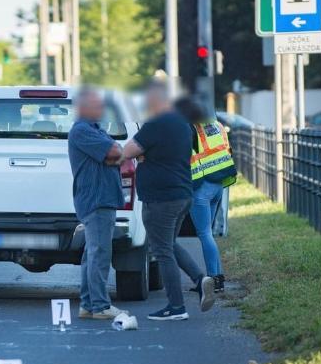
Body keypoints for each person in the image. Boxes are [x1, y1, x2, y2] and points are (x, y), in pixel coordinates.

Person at [121, 83, 214, 321]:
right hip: (182, 194)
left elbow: (127, 150)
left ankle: (176, 307)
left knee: (162, 250)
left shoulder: (155, 125)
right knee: (169, 244)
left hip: (161, 199)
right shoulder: (182, 124)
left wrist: (142, 155)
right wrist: (144, 153)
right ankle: (199, 278)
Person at [68, 87, 128, 320]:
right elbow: (114, 150)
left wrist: (116, 153)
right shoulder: (83, 131)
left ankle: (88, 304)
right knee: (100, 253)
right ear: (83, 107)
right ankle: (101, 306)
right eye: (96, 104)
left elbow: (116, 152)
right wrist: (116, 153)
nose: (101, 108)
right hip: (97, 198)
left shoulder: (94, 129)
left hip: (99, 198)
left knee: (91, 254)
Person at [175, 97, 237, 292]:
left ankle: (214, 279)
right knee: (208, 234)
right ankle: (217, 278)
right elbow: (227, 150)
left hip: (200, 187)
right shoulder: (217, 125)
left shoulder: (190, 130)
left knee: (204, 234)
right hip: (218, 184)